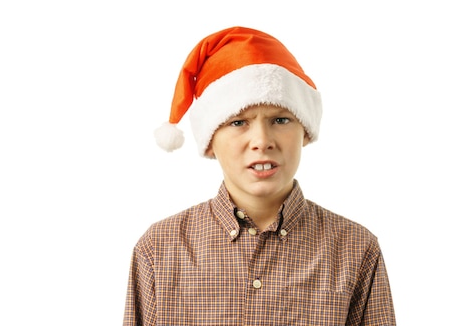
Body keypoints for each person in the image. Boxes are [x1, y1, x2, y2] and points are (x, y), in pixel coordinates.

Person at [123, 26, 396, 325]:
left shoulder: (356, 250)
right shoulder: (159, 248)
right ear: (210, 141)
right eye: (239, 122)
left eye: (281, 119)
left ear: (305, 131)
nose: (262, 140)